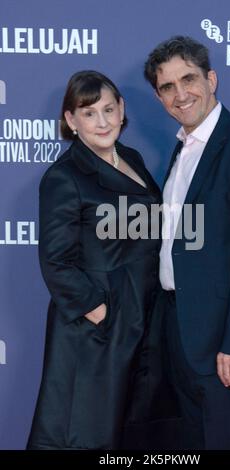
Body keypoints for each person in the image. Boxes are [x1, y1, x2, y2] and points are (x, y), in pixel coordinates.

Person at [143, 36, 230, 450]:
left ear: (212, 79)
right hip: (182, 331)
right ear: (158, 95)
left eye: (189, 79)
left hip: (224, 342)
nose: (180, 94)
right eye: (168, 87)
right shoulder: (183, 148)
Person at [26, 70, 161, 450]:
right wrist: (102, 313)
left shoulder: (131, 158)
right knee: (84, 432)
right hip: (95, 333)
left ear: (122, 110)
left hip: (142, 318)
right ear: (70, 120)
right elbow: (56, 262)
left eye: (108, 109)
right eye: (88, 113)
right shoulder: (64, 177)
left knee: (127, 433)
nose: (102, 122)